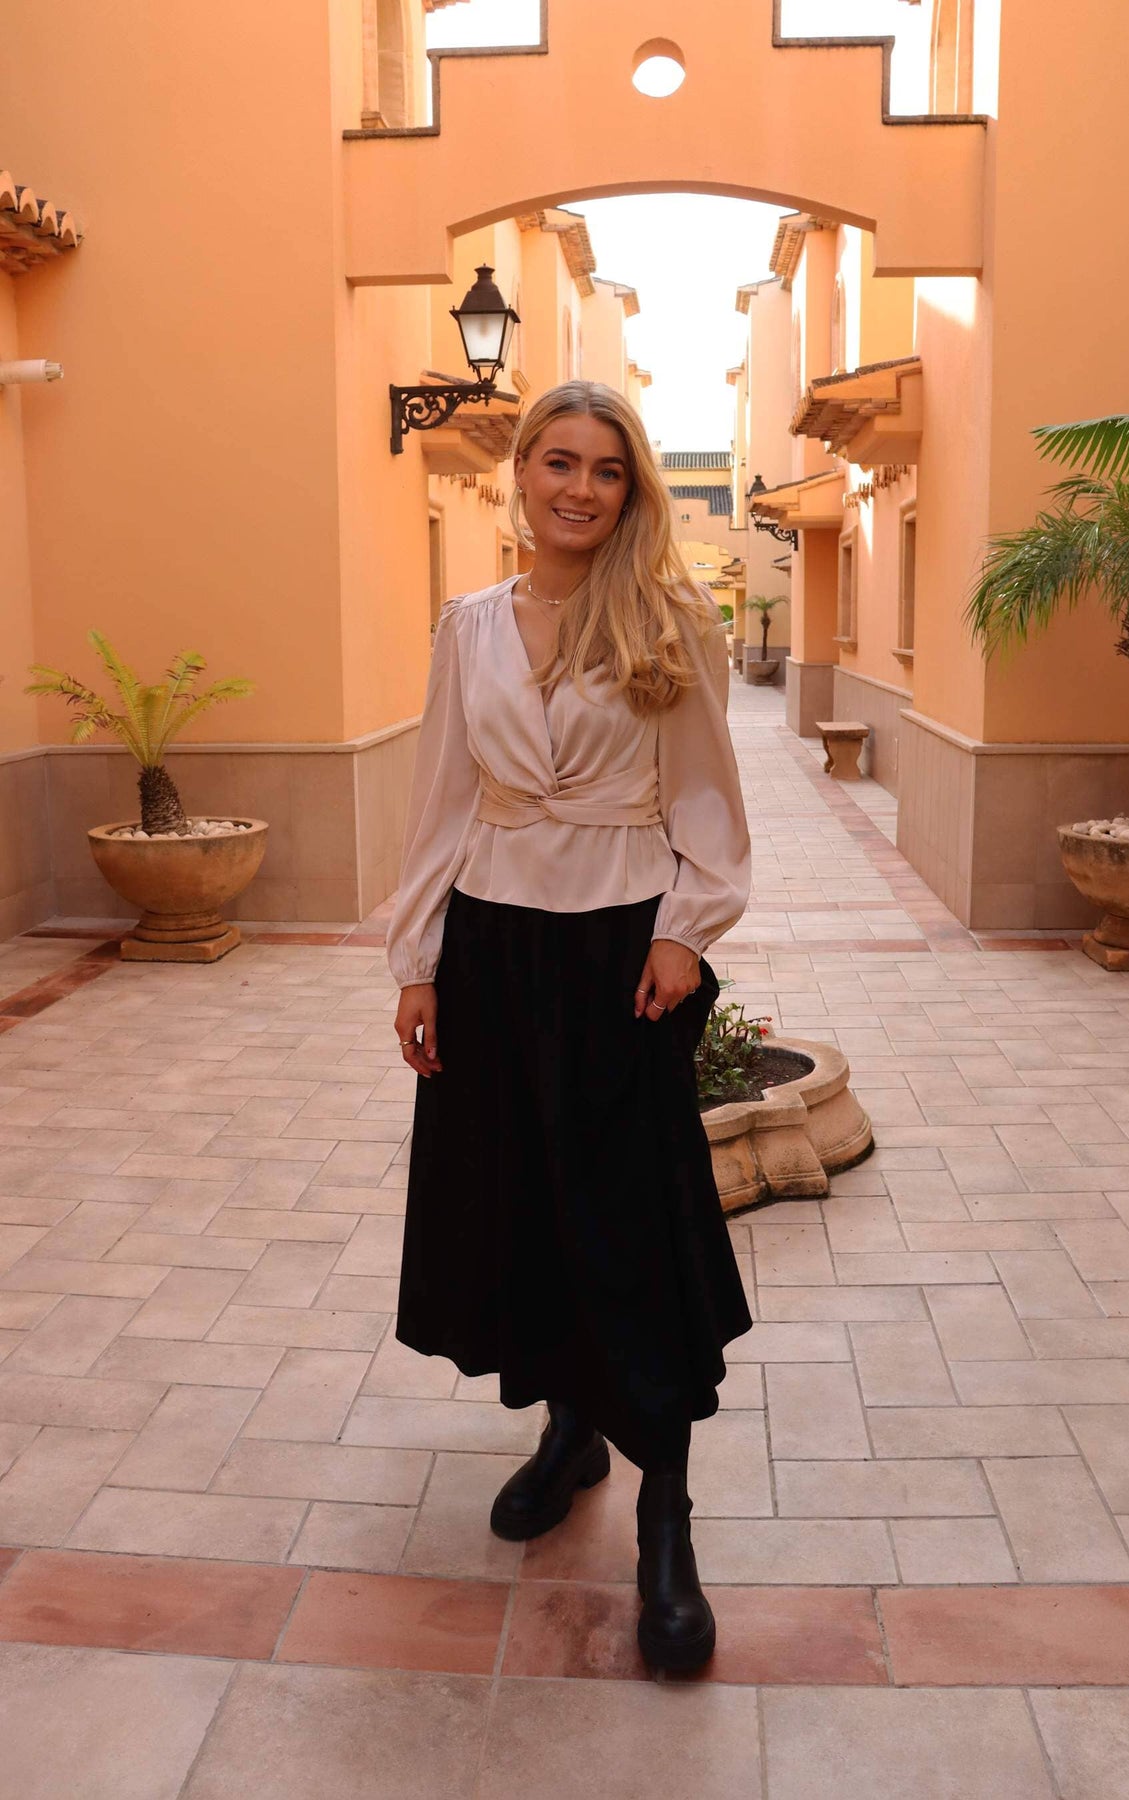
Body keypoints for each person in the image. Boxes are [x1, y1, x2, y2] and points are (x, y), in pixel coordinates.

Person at [387, 379, 753, 1674]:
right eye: (558, 462)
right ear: (522, 475)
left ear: (631, 488)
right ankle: (568, 1429)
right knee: (525, 1207)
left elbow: (708, 795)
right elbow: (441, 798)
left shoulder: (671, 621)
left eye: (605, 469)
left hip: (619, 950)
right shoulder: (469, 627)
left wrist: (685, 930)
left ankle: (666, 1511)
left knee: (634, 1223)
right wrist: (417, 961)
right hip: (491, 947)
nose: (579, 489)